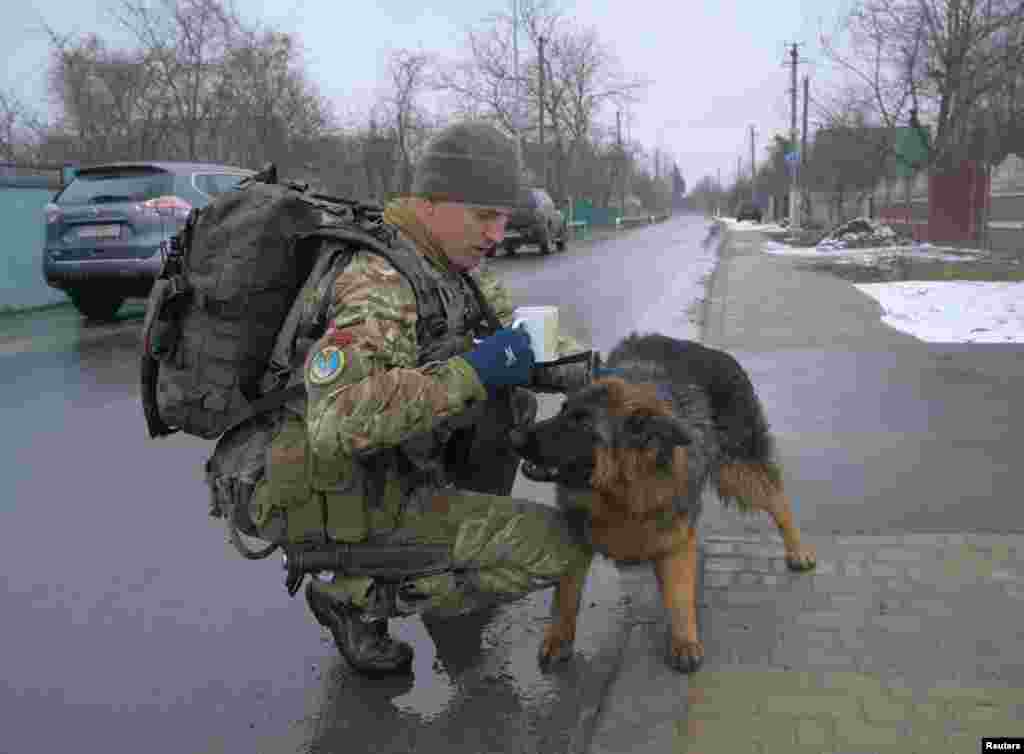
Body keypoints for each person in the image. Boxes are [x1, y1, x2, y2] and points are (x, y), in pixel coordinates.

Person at [249, 121, 595, 676]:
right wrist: (471, 372)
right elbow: (335, 421)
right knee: (561, 549)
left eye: (504, 217)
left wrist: (595, 374)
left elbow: (524, 339)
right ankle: (354, 595)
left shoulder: (454, 270)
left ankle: (421, 561)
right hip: (345, 491)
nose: (497, 233)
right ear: (431, 201)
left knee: (511, 407)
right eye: (484, 215)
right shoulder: (380, 279)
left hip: (398, 463)